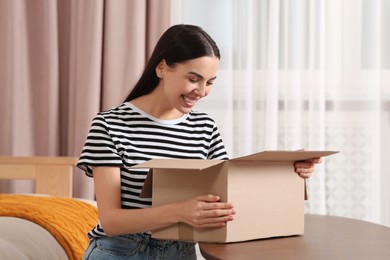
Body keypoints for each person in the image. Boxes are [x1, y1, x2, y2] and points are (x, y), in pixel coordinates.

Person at [77, 24, 322, 259]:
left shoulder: (204, 128)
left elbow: (230, 196)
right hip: (122, 253)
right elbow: (111, 221)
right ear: (162, 68)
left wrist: (287, 167)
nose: (202, 91)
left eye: (210, 82)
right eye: (194, 79)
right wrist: (180, 212)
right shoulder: (109, 124)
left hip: (183, 252)